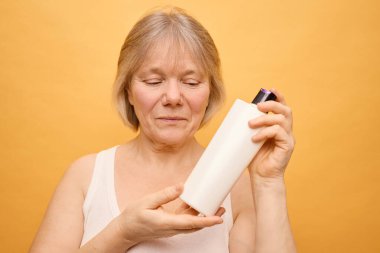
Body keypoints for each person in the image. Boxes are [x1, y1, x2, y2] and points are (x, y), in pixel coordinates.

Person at [29, 7, 297, 253]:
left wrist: (269, 182)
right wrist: (122, 232)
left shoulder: (237, 188)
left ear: (209, 94)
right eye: (154, 81)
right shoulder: (85, 176)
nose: (172, 97)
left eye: (191, 82)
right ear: (129, 92)